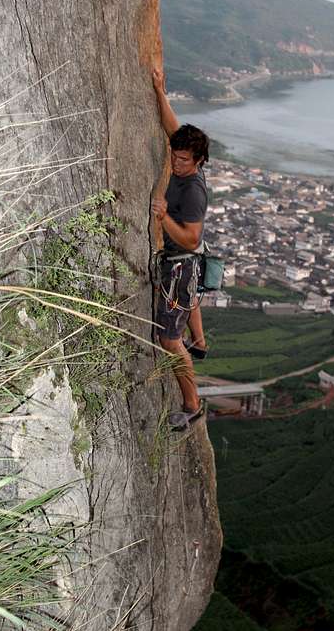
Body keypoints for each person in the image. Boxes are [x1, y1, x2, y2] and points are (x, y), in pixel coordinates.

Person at [151, 68, 209, 430]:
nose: (175, 163)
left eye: (182, 160)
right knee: (190, 301)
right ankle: (200, 342)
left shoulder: (193, 191)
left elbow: (189, 238)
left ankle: (192, 404)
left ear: (199, 161)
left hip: (180, 264)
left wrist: (162, 219)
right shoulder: (185, 155)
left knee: (169, 340)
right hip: (181, 265)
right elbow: (172, 127)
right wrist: (159, 90)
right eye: (175, 157)